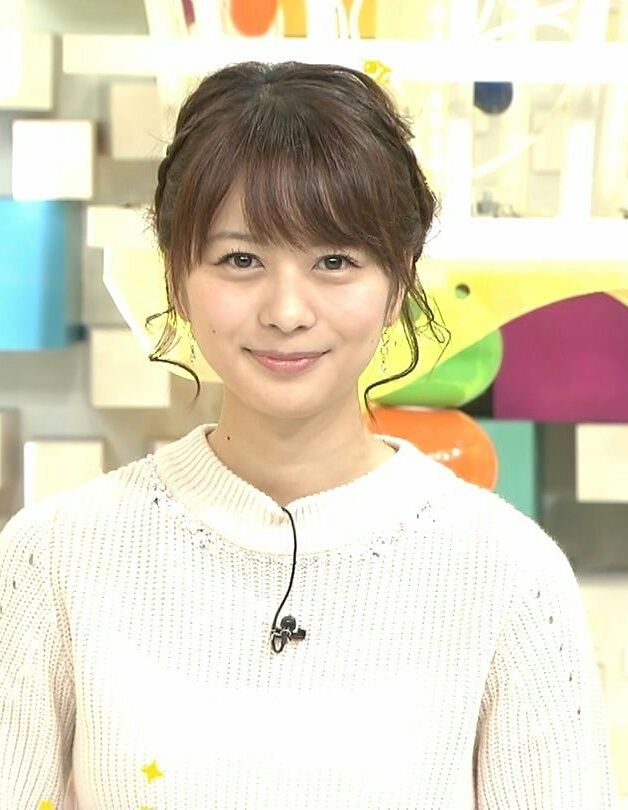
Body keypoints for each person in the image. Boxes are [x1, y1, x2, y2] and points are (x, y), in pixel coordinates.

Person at [0, 61, 618, 809]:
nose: (287, 311)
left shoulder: (511, 575)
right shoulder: (51, 558)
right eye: (241, 259)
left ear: (399, 282)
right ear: (176, 277)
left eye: (334, 261)